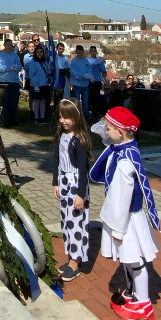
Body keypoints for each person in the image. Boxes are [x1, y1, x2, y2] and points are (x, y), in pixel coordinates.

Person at [90, 107, 160, 320]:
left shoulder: (125, 160)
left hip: (126, 218)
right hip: (123, 216)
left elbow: (121, 197)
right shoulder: (122, 149)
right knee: (128, 260)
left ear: (120, 132)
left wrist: (118, 228)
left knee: (135, 260)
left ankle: (143, 301)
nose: (106, 132)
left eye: (109, 129)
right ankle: (131, 293)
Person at [52, 97, 92, 282]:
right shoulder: (61, 137)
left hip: (76, 184)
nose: (63, 121)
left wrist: (80, 195)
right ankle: (70, 258)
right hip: (64, 182)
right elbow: (56, 160)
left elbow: (83, 170)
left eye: (67, 117)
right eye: (61, 116)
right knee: (66, 222)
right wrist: (56, 182)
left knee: (76, 223)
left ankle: (75, 262)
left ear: (76, 118)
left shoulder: (79, 141)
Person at [0, 39, 23, 127]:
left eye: (10, 45)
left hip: (14, 81)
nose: (9, 47)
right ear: (4, 45)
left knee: (14, 101)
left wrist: (16, 68)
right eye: (7, 45)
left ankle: (12, 118)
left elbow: (20, 66)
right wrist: (9, 67)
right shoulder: (0, 56)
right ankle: (6, 118)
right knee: (5, 100)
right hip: (4, 81)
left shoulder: (15, 55)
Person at [27, 44, 52, 125]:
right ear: (35, 53)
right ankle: (36, 117)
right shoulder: (33, 62)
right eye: (38, 52)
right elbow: (32, 74)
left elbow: (48, 71)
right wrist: (35, 85)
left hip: (44, 84)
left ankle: (42, 117)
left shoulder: (45, 62)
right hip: (37, 85)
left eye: (41, 52)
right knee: (37, 102)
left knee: (43, 102)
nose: (40, 54)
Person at [69, 45, 93, 119]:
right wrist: (83, 76)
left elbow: (89, 70)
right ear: (76, 52)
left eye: (81, 52)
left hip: (85, 85)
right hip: (77, 85)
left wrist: (89, 76)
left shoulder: (85, 61)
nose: (80, 54)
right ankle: (77, 117)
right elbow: (74, 73)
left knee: (85, 102)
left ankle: (86, 117)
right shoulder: (74, 61)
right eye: (79, 52)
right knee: (77, 102)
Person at [87, 45, 107, 117]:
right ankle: (87, 112)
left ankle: (95, 113)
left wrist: (99, 65)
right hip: (89, 80)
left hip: (97, 80)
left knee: (96, 97)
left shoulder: (99, 60)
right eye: (92, 51)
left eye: (94, 51)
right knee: (89, 96)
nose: (93, 53)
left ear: (96, 52)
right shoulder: (87, 60)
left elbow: (103, 71)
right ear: (90, 52)